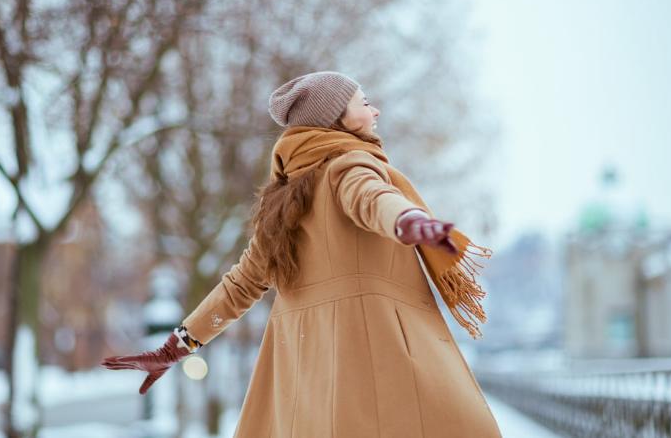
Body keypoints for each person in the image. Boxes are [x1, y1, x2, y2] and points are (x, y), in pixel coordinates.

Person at [102, 71, 501, 437]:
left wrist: (177, 346)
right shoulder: (350, 164)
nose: (374, 109)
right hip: (371, 363)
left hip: (306, 375)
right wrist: (407, 219)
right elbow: (371, 197)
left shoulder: (282, 202)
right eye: (363, 102)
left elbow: (240, 285)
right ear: (336, 118)